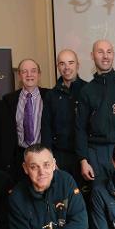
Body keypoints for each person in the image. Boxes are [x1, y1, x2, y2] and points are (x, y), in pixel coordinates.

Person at [75, 40, 115, 183]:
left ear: (113, 55)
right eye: (100, 52)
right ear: (92, 55)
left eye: (109, 52)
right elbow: (80, 128)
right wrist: (83, 160)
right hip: (95, 153)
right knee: (99, 196)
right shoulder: (86, 91)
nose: (105, 56)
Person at [41, 49, 87, 182]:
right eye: (62, 63)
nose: (67, 67)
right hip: (59, 156)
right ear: (58, 67)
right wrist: (49, 159)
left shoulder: (88, 90)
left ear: (78, 65)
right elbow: (46, 128)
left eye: (71, 63)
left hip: (83, 156)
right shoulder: (51, 95)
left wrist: (86, 159)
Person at [4, 59, 48, 181]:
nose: (29, 75)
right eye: (24, 71)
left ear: (39, 75)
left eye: (33, 71)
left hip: (43, 155)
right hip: (19, 157)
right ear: (19, 76)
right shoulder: (8, 100)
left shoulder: (50, 96)